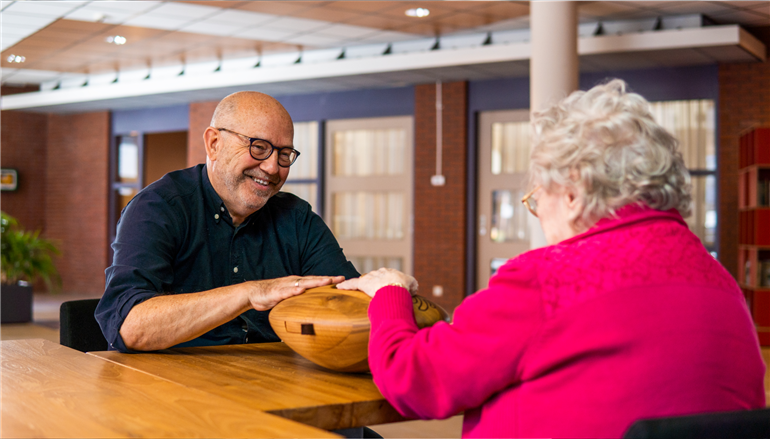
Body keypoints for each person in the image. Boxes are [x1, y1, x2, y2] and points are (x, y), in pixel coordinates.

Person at [338, 80, 766, 438]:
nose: (539, 217)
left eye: (536, 200)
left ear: (574, 192)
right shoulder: (721, 282)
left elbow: (413, 380)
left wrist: (390, 292)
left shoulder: (551, 278)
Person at [96, 91, 358, 353]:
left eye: (284, 154)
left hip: (269, 380)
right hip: (168, 383)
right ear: (214, 143)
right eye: (258, 147)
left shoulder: (297, 218)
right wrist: (250, 294)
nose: (272, 168)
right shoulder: (158, 207)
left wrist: (384, 291)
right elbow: (129, 326)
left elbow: (352, 304)